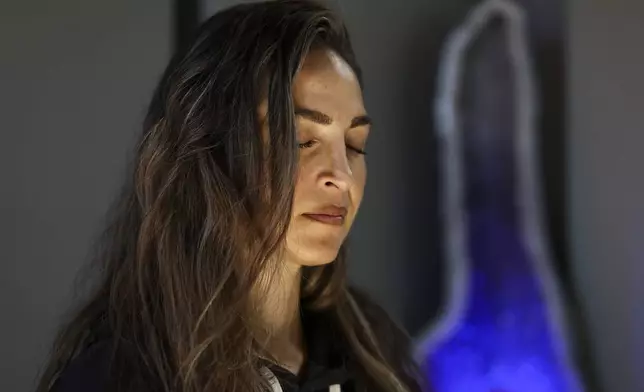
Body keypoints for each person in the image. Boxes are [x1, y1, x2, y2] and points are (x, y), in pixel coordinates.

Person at [37, 1, 425, 391]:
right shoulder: (118, 378)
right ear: (209, 151)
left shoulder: (376, 353)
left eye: (355, 145)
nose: (341, 176)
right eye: (302, 140)